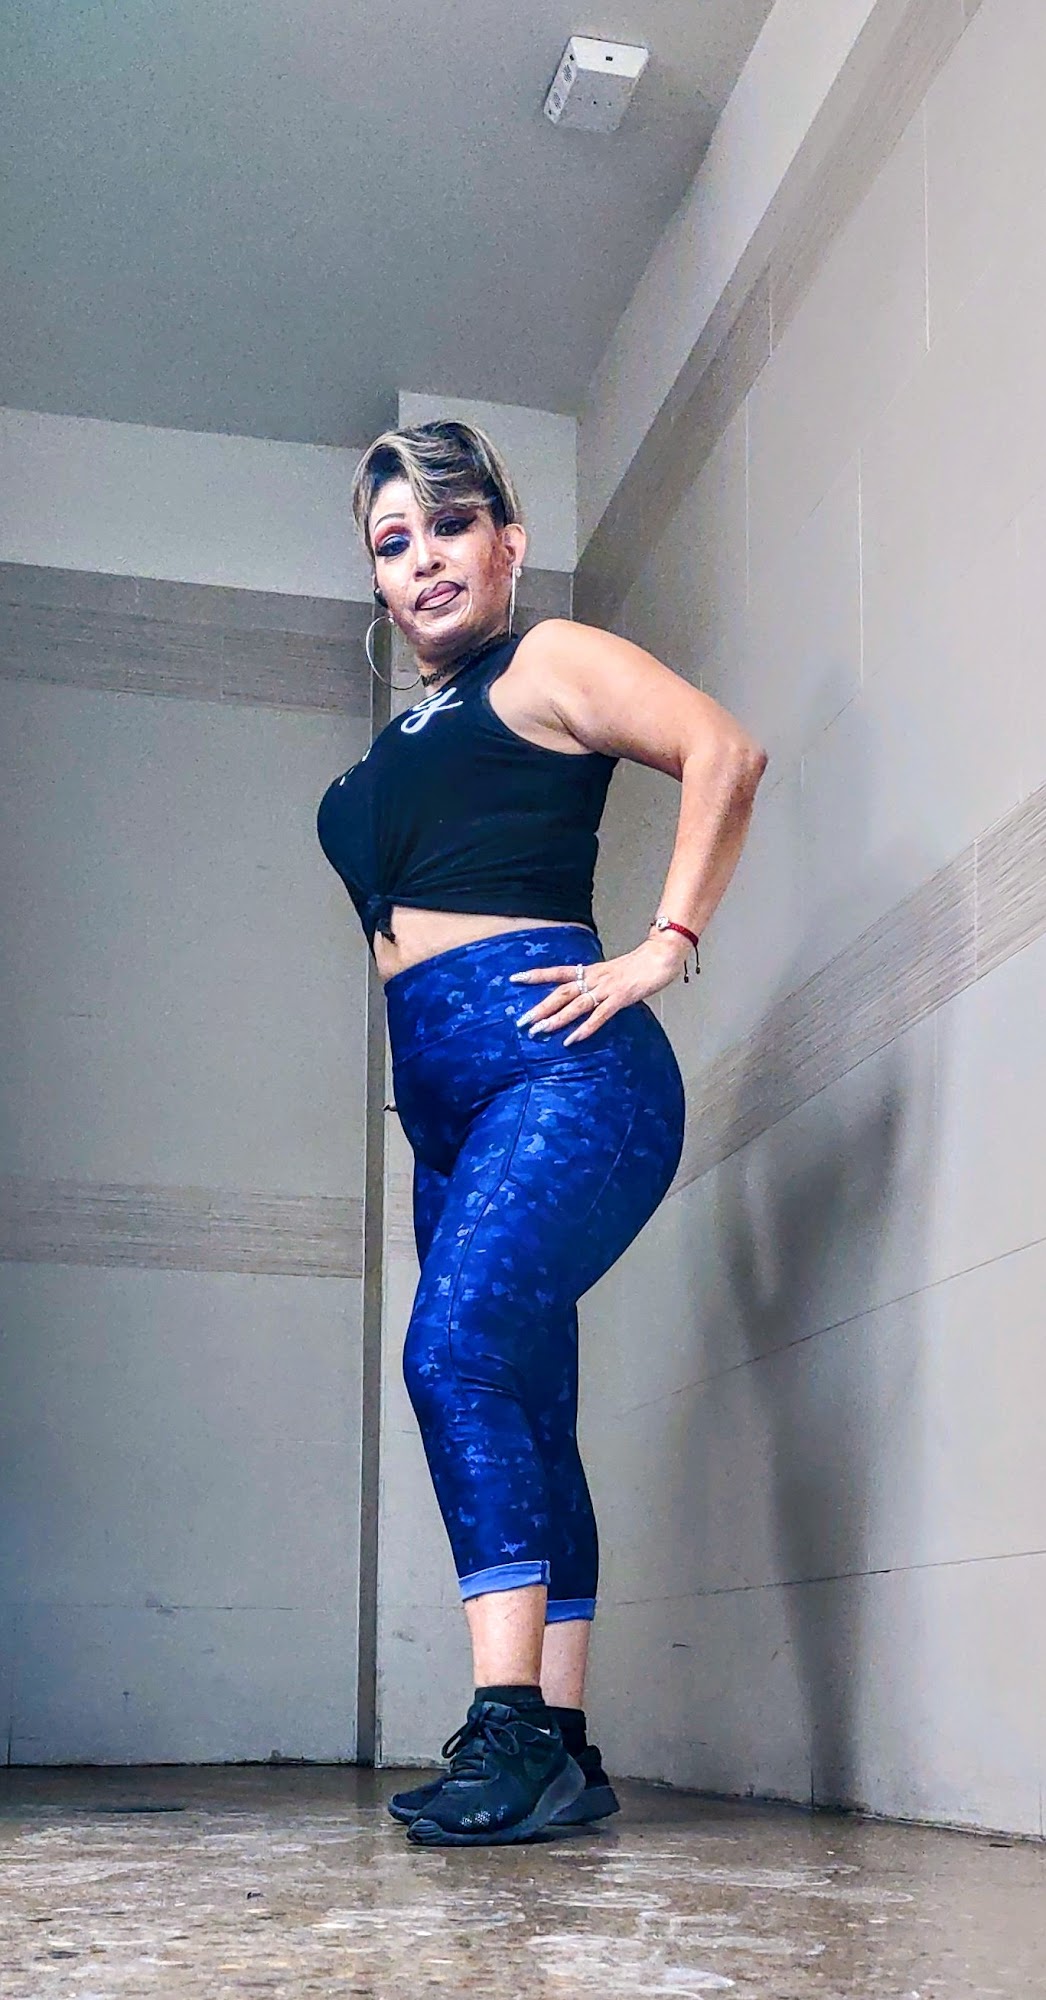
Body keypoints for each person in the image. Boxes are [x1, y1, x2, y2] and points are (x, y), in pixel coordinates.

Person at [316, 418, 766, 1848]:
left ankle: (504, 1729)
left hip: (564, 1077)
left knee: (449, 1353)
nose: (424, 560)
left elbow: (722, 749)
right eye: (394, 541)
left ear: (508, 542)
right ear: (375, 578)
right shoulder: (394, 743)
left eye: (450, 525)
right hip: (453, 1118)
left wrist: (664, 944)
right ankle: (562, 1745)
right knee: (523, 1401)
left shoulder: (548, 660)